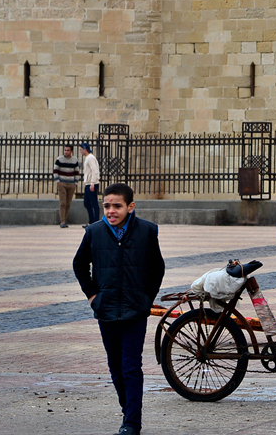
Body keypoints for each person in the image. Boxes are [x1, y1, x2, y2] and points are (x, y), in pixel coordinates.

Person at [72, 183, 165, 435]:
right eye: (107, 206)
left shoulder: (147, 231)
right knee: (115, 366)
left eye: (117, 206)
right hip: (107, 310)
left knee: (131, 366)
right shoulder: (94, 232)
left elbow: (157, 268)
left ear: (130, 207)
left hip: (135, 311)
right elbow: (79, 264)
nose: (111, 211)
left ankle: (132, 424)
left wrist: (146, 298)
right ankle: (128, 412)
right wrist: (93, 296)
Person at [53, 144, 81, 228]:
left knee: (68, 203)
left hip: (71, 183)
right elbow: (55, 170)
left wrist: (76, 182)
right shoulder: (59, 159)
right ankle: (62, 221)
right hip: (62, 183)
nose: (66, 152)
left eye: (68, 150)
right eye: (65, 150)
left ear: (71, 151)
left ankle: (65, 220)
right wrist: (58, 181)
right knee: (63, 203)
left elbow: (76, 172)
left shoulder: (74, 160)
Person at [81, 142, 101, 226]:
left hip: (92, 183)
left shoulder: (90, 158)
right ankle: (91, 220)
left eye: (81, 149)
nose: (80, 151)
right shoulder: (88, 158)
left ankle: (95, 221)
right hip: (88, 183)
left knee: (93, 203)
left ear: (85, 149)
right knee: (86, 203)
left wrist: (92, 183)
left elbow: (94, 170)